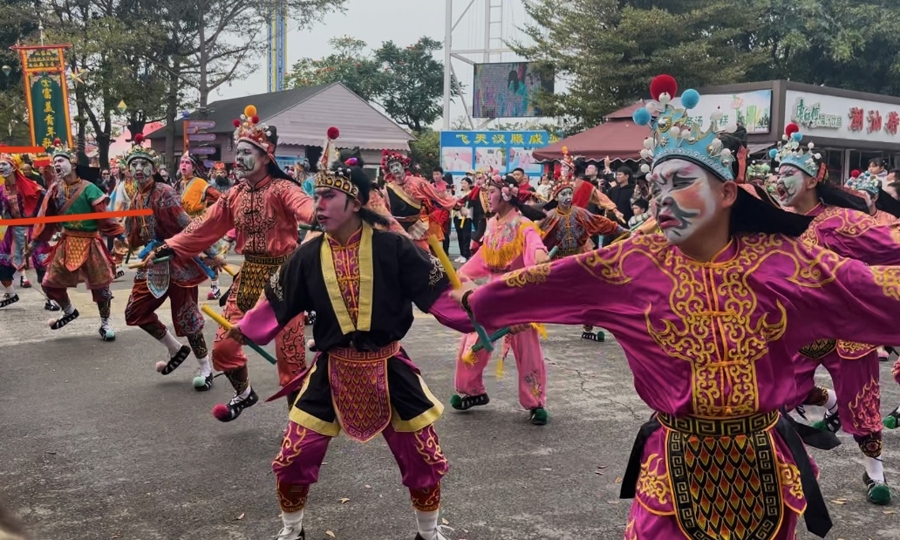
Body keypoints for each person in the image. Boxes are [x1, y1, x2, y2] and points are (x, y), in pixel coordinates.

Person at [449, 76, 900, 540]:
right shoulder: (632, 264)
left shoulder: (782, 259)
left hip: (765, 470)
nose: (663, 198)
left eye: (681, 183)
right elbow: (548, 282)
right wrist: (474, 299)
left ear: (727, 194)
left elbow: (870, 289)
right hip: (675, 467)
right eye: (657, 186)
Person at [231, 156, 472, 540]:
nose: (319, 205)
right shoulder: (307, 255)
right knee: (295, 454)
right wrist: (244, 328)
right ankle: (292, 531)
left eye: (328, 196)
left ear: (356, 203)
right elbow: (274, 304)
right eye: (316, 196)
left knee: (423, 454)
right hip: (332, 368)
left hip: (389, 365)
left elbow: (441, 296)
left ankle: (428, 533)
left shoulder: (395, 247)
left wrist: (476, 308)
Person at [149, 105, 314, 421]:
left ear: (267, 156)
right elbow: (204, 226)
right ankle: (244, 393)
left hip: (285, 278)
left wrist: (322, 213)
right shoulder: (234, 194)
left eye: (247, 152)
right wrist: (170, 247)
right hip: (249, 276)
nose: (239, 158)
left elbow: (305, 207)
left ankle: (301, 424)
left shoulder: (283, 189)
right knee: (224, 348)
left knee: (290, 358)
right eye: (237, 151)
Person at [450, 174, 552, 425]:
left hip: (519, 295)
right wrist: (461, 277)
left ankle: (535, 402)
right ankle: (473, 391)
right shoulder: (493, 224)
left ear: (506, 194)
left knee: (527, 351)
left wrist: (540, 257)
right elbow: (483, 258)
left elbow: (535, 248)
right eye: (485, 192)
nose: (486, 196)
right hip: (493, 296)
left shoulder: (523, 224)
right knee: (472, 345)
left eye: (491, 191)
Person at [123, 136, 222, 391]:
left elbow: (187, 224)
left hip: (178, 261)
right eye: (133, 165)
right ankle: (175, 349)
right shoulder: (135, 198)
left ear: (153, 169)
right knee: (135, 313)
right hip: (152, 263)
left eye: (143, 164)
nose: (138, 169)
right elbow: (133, 235)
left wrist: (211, 252)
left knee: (188, 317)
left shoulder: (164, 192)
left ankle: (205, 367)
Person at [28, 141, 124, 339]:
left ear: (73, 164)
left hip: (90, 242)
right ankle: (69, 310)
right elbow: (47, 218)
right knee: (49, 283)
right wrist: (36, 240)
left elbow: (103, 217)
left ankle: (105, 323)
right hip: (67, 241)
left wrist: (118, 233)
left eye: (61, 160)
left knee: (101, 287)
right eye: (54, 162)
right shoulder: (55, 189)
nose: (56, 165)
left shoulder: (89, 188)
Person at [539, 179, 626, 341]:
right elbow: (537, 236)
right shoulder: (550, 216)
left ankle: (588, 324)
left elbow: (599, 222)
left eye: (570, 193)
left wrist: (621, 230)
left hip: (579, 256)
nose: (567, 196)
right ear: (556, 197)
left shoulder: (580, 212)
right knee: (548, 293)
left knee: (588, 290)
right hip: (557, 260)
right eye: (563, 194)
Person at [0, 154, 55, 311]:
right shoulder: (1, 190)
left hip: (33, 231)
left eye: (5, 164)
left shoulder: (31, 186)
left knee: (42, 267)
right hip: (13, 232)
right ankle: (11, 294)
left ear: (13, 167)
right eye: (0, 165)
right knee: (2, 265)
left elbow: (47, 201)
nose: (1, 167)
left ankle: (51, 299)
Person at [381, 152, 459, 252]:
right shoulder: (388, 188)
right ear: (389, 171)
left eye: (397, 165)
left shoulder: (417, 182)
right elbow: (385, 209)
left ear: (403, 166)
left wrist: (457, 205)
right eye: (391, 167)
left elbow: (436, 194)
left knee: (423, 255)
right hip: (397, 227)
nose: (395, 169)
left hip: (416, 226)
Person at [453, 177, 473, 262]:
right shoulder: (459, 193)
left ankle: (466, 254)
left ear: (469, 184)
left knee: (466, 236)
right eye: (462, 183)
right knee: (460, 236)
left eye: (465, 183)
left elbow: (471, 206)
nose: (463, 185)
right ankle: (461, 254)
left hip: (467, 217)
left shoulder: (471, 193)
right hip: (458, 217)